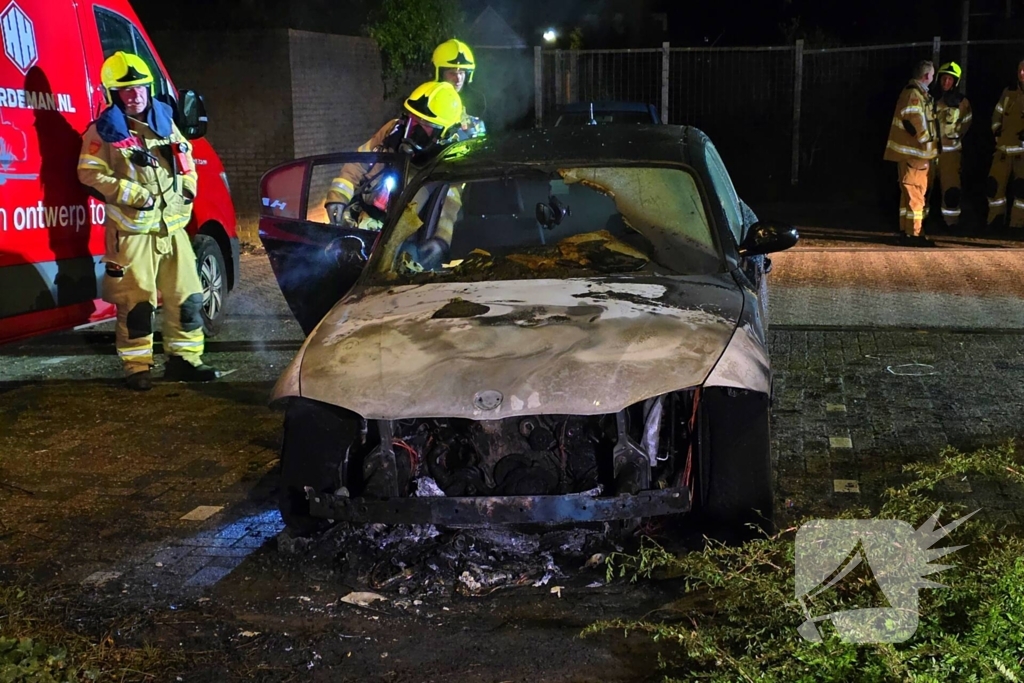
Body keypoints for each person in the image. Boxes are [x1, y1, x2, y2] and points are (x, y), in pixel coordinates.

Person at [78, 51, 218, 391]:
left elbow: (188, 165)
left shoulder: (166, 123)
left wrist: (186, 191)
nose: (134, 94)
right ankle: (137, 366)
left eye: (140, 87)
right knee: (136, 301)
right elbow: (89, 174)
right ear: (114, 94)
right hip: (132, 232)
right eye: (125, 90)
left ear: (149, 87)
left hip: (172, 227)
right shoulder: (103, 132)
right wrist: (134, 194)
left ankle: (184, 359)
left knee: (188, 295)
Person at [324, 81, 464, 265]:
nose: (413, 130)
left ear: (445, 133)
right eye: (412, 120)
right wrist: (338, 197)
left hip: (404, 242)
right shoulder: (392, 130)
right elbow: (360, 161)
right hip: (363, 221)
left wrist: (440, 241)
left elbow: (450, 204)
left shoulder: (450, 159)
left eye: (425, 125)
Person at [883, 60, 938, 245]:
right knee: (916, 195)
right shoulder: (915, 94)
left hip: (910, 155)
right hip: (915, 155)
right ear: (927, 76)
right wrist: (926, 140)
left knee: (908, 197)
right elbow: (915, 118)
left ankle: (906, 232)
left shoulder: (914, 93)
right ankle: (915, 234)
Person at [932, 61, 972, 229]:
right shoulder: (931, 99)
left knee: (951, 192)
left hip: (951, 154)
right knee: (922, 191)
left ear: (955, 82)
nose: (946, 82)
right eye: (943, 78)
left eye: (949, 79)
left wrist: (955, 137)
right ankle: (919, 224)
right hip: (930, 152)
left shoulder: (962, 102)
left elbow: (966, 123)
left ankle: (951, 224)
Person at [985, 58, 1024, 232]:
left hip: (1022, 152)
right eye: (1020, 69)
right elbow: (996, 115)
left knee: (1022, 191)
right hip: (1002, 150)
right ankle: (995, 222)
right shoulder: (1008, 92)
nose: (1022, 73)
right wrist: (997, 130)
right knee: (993, 186)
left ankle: (1017, 225)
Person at [432, 38, 486, 140]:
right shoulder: (430, 97)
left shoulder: (476, 101)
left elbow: (480, 135)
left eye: (461, 73)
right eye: (452, 73)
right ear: (440, 74)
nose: (458, 79)